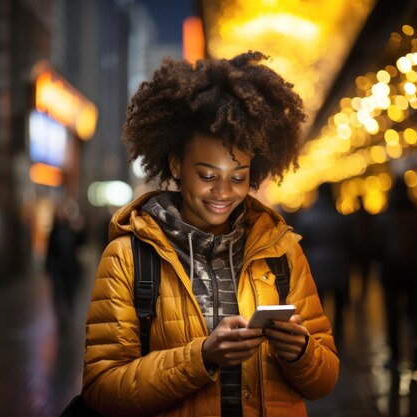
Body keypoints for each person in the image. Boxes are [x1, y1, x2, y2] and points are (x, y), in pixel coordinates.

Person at [82, 51, 339, 417]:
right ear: (176, 165)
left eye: (238, 178)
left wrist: (301, 351)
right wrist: (202, 357)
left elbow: (325, 379)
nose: (223, 193)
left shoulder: (281, 251)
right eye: (207, 175)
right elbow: (102, 389)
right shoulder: (128, 256)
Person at [373, 176, 417, 371]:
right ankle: (416, 350)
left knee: (392, 314)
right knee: (414, 313)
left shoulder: (385, 216)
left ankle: (395, 355)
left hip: (391, 272)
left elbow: (377, 245)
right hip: (414, 271)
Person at [293, 183, 351, 347]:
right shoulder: (340, 217)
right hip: (338, 267)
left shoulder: (307, 217)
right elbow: (350, 243)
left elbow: (299, 245)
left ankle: (319, 338)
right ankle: (338, 338)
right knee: (339, 307)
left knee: (317, 307)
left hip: (315, 268)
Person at [45, 200, 85, 330]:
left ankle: (69, 316)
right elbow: (50, 250)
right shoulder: (54, 231)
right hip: (57, 268)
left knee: (70, 294)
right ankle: (61, 318)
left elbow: (81, 243)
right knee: (58, 293)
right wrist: (48, 266)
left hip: (71, 267)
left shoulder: (72, 228)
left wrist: (80, 229)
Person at [347, 195, 374, 306]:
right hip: (366, 250)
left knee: (353, 274)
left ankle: (355, 296)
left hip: (355, 251)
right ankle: (363, 295)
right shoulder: (369, 216)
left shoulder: (351, 217)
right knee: (364, 275)